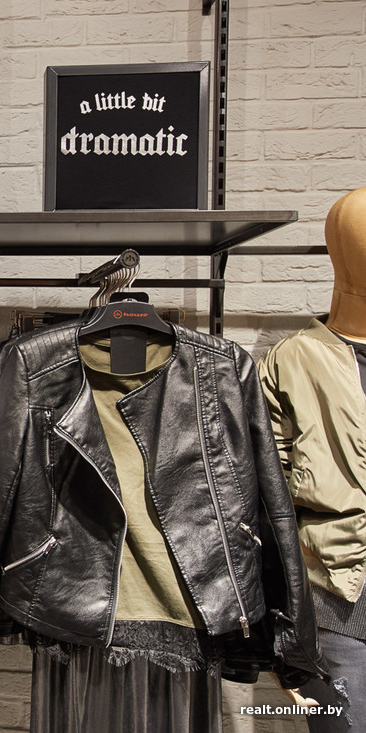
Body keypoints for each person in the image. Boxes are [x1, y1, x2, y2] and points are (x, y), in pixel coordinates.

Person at [260, 185, 366, 732]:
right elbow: (265, 511)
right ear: (340, 253)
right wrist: (283, 639)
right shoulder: (292, 362)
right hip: (337, 609)